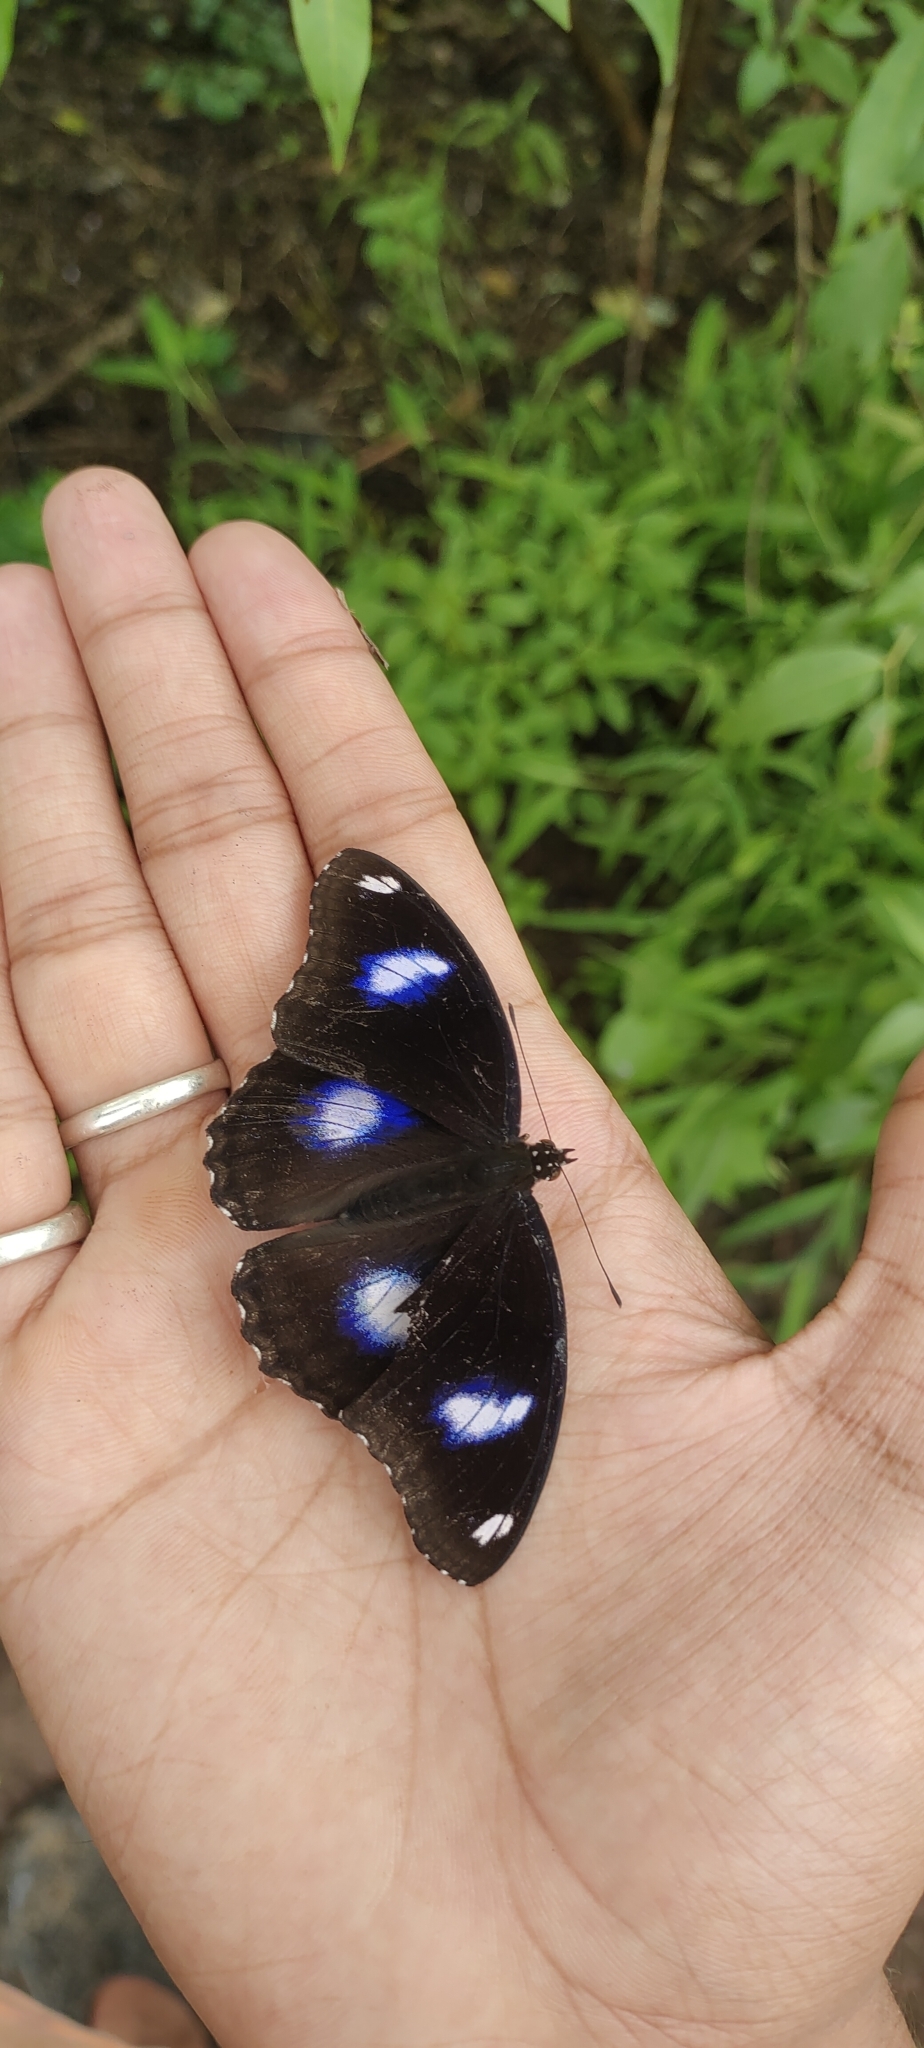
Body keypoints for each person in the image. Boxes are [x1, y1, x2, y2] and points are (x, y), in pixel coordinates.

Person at [0, 465, 920, 2048]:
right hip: (358, 1210)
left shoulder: (483, 1091)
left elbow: (477, 1445)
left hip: (341, 1136)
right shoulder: (524, 1292)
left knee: (382, 1253)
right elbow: (376, 918)